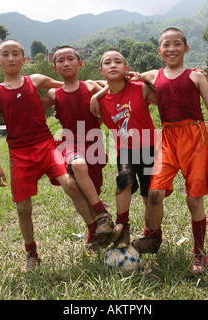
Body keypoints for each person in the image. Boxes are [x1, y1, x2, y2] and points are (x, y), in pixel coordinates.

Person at [0, 40, 101, 272]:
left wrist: (107, 84)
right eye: (5, 55)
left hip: (47, 146)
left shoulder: (35, 80)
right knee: (22, 208)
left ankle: (95, 232)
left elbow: (72, 84)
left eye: (15, 54)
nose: (11, 58)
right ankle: (32, 254)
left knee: (71, 185)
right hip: (19, 153)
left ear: (23, 59)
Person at [130, 28, 208, 275]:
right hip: (167, 138)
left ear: (187, 49)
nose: (172, 48)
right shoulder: (153, 75)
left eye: (177, 44)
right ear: (159, 50)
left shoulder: (196, 77)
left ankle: (199, 254)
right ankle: (153, 237)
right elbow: (128, 76)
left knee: (193, 199)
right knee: (154, 192)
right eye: (166, 44)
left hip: (194, 138)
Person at [42, 46, 122, 253]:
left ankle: (94, 235)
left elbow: (114, 86)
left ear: (80, 64)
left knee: (91, 191)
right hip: (69, 142)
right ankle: (102, 213)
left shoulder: (89, 86)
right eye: (60, 60)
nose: (66, 63)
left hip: (93, 142)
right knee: (78, 165)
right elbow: (33, 110)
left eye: (70, 59)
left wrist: (97, 96)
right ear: (55, 67)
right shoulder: (53, 93)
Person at [91, 49, 158, 248]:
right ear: (101, 71)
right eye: (107, 62)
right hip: (125, 148)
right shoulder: (100, 100)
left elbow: (164, 94)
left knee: (148, 195)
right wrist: (97, 95)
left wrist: (143, 78)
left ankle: (150, 234)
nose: (113, 65)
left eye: (118, 61)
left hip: (149, 146)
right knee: (124, 179)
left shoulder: (140, 88)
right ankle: (122, 229)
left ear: (127, 69)